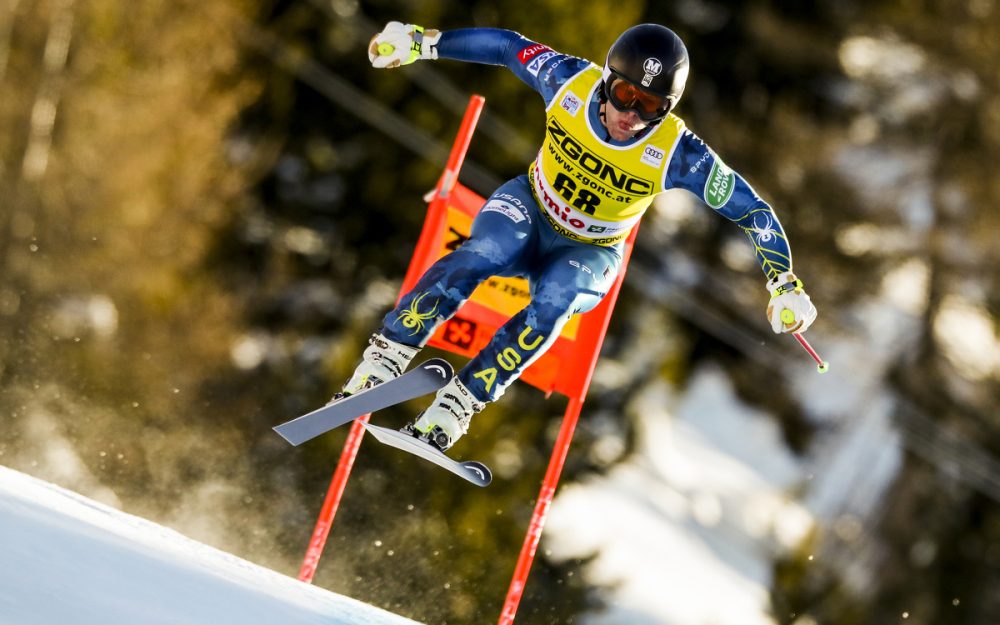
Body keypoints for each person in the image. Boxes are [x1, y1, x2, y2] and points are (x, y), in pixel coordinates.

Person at [337, 22, 818, 453]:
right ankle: (385, 358)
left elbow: (752, 209)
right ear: (608, 79)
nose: (630, 114)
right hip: (531, 205)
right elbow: (508, 47)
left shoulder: (678, 152)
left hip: (589, 248)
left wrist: (783, 281)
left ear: (666, 109)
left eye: (649, 105)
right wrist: (425, 43)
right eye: (626, 93)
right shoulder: (568, 80)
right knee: (486, 250)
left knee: (557, 300)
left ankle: (458, 407)